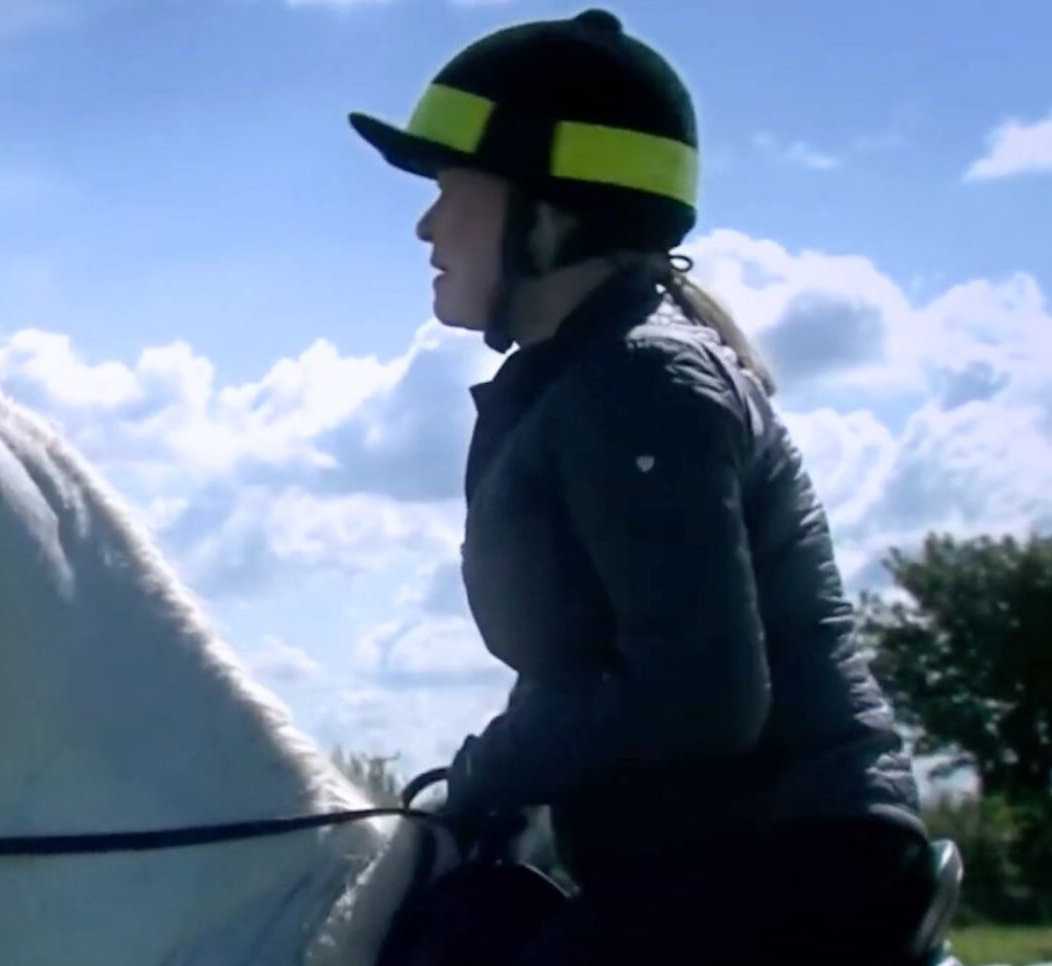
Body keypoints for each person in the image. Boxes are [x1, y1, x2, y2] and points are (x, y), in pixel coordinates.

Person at [350, 9, 934, 965]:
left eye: (456, 187)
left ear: (552, 211)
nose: (427, 223)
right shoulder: (591, 376)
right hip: (727, 863)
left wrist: (482, 772)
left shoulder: (639, 381)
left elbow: (700, 697)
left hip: (787, 871)